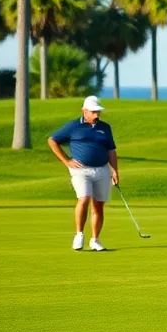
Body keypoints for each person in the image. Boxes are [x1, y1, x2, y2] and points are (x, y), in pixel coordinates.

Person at [48, 95, 120, 252]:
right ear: (84, 111)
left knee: (98, 205)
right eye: (93, 112)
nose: (96, 115)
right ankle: (79, 234)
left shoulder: (105, 128)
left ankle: (95, 240)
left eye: (98, 112)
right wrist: (66, 161)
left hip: (102, 169)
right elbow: (52, 140)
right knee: (84, 198)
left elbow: (111, 150)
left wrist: (114, 170)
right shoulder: (74, 126)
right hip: (80, 170)